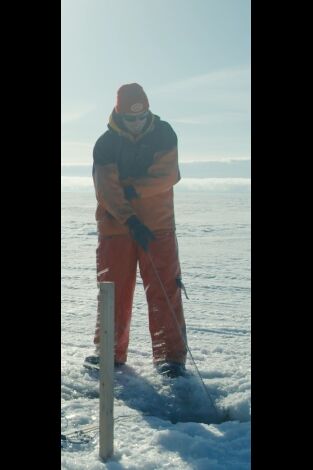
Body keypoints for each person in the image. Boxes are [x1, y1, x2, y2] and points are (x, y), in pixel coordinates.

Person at [85, 83, 187, 378]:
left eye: (141, 117)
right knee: (112, 290)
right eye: (131, 119)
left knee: (165, 289)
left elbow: (167, 176)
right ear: (119, 114)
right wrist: (130, 219)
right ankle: (109, 352)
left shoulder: (164, 133)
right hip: (116, 227)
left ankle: (171, 357)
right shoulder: (105, 144)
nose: (137, 123)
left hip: (158, 226)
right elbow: (107, 190)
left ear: (148, 111)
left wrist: (130, 188)